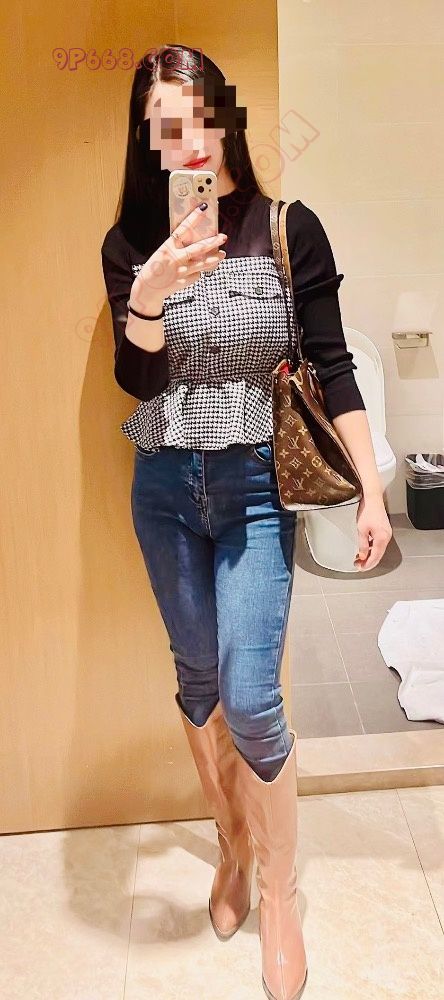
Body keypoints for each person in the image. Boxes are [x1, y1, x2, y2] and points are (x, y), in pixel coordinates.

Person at [101, 43, 392, 1000]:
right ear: (148, 140)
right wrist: (148, 297)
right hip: (164, 487)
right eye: (166, 125)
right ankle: (232, 842)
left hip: (258, 488)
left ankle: (278, 891)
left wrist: (373, 490)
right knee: (197, 680)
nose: (188, 139)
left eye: (199, 115)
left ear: (226, 118)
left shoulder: (286, 227)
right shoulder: (131, 243)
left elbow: (333, 365)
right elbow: (136, 378)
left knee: (253, 696)